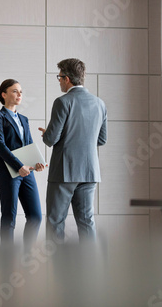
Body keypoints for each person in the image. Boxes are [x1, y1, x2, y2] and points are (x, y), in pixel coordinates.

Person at [38, 58, 107, 242]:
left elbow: (51, 139)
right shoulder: (100, 104)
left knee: (55, 221)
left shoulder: (62, 102)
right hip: (90, 172)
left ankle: (57, 268)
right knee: (86, 221)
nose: (59, 81)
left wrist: (46, 133)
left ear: (67, 78)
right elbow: (101, 139)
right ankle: (91, 266)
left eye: (59, 77)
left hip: (64, 171)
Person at [0, 79, 45, 245]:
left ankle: (27, 257)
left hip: (26, 172)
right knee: (9, 218)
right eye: (15, 91)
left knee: (36, 216)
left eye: (21, 91)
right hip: (7, 172)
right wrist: (18, 166)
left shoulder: (24, 119)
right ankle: (7, 260)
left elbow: (28, 144)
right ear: (4, 94)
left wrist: (36, 164)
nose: (19, 94)